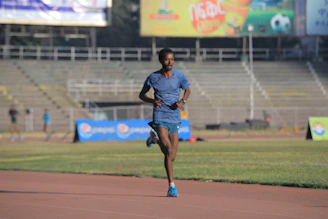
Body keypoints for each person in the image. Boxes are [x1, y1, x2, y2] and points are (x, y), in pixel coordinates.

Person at [139, 48, 191, 197]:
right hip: (160, 115)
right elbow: (141, 95)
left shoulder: (179, 76)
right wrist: (152, 101)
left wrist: (183, 101)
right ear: (161, 60)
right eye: (167, 59)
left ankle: (154, 139)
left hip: (175, 116)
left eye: (172, 59)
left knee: (172, 156)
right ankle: (171, 186)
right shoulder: (153, 77)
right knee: (168, 150)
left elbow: (187, 90)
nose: (170, 62)